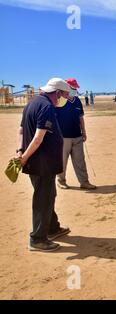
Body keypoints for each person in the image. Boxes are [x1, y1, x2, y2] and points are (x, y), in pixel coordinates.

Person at [16, 78, 72, 252]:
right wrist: (24, 157)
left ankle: (52, 227)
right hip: (42, 163)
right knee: (43, 199)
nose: (63, 99)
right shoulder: (46, 107)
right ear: (57, 93)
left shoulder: (31, 104)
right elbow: (38, 138)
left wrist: (20, 151)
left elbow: (21, 130)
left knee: (48, 195)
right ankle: (38, 239)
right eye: (64, 95)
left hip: (36, 162)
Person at [55, 78, 96, 190]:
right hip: (63, 137)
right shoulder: (59, 101)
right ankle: (61, 181)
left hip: (77, 136)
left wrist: (84, 131)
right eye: (72, 88)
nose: (75, 90)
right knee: (62, 161)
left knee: (80, 161)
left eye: (75, 88)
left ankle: (84, 182)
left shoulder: (77, 101)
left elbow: (80, 118)